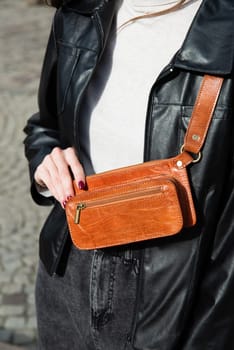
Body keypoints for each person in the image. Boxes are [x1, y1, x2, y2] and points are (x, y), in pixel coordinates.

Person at [23, 0, 234, 349]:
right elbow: (45, 125)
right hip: (67, 265)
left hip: (172, 290)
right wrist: (46, 161)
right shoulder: (80, 11)